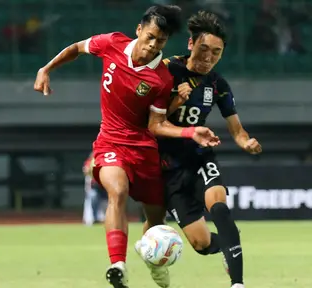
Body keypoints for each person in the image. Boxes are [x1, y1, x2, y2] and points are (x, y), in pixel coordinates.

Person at [33, 5, 220, 288]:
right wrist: (47, 68)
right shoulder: (111, 43)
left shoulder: (161, 78)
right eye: (151, 37)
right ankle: (117, 265)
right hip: (109, 141)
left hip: (144, 148)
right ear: (139, 30)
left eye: (161, 41)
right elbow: (76, 48)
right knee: (117, 190)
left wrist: (189, 131)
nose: (153, 45)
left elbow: (156, 125)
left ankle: (155, 263)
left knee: (156, 221)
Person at [137, 11, 262, 288]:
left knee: (219, 208)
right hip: (167, 168)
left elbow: (237, 129)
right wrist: (174, 103)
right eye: (204, 49)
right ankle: (228, 245)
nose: (209, 57)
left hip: (198, 158)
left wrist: (246, 142)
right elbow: (149, 122)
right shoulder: (166, 70)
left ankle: (238, 283)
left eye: (216, 53)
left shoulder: (218, 85)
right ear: (191, 44)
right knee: (202, 244)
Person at [82, 152, 107, 225]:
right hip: (95, 186)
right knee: (93, 198)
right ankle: (95, 218)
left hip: (105, 185)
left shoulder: (105, 160)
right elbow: (85, 170)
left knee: (107, 204)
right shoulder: (90, 161)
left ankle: (107, 219)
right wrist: (88, 169)